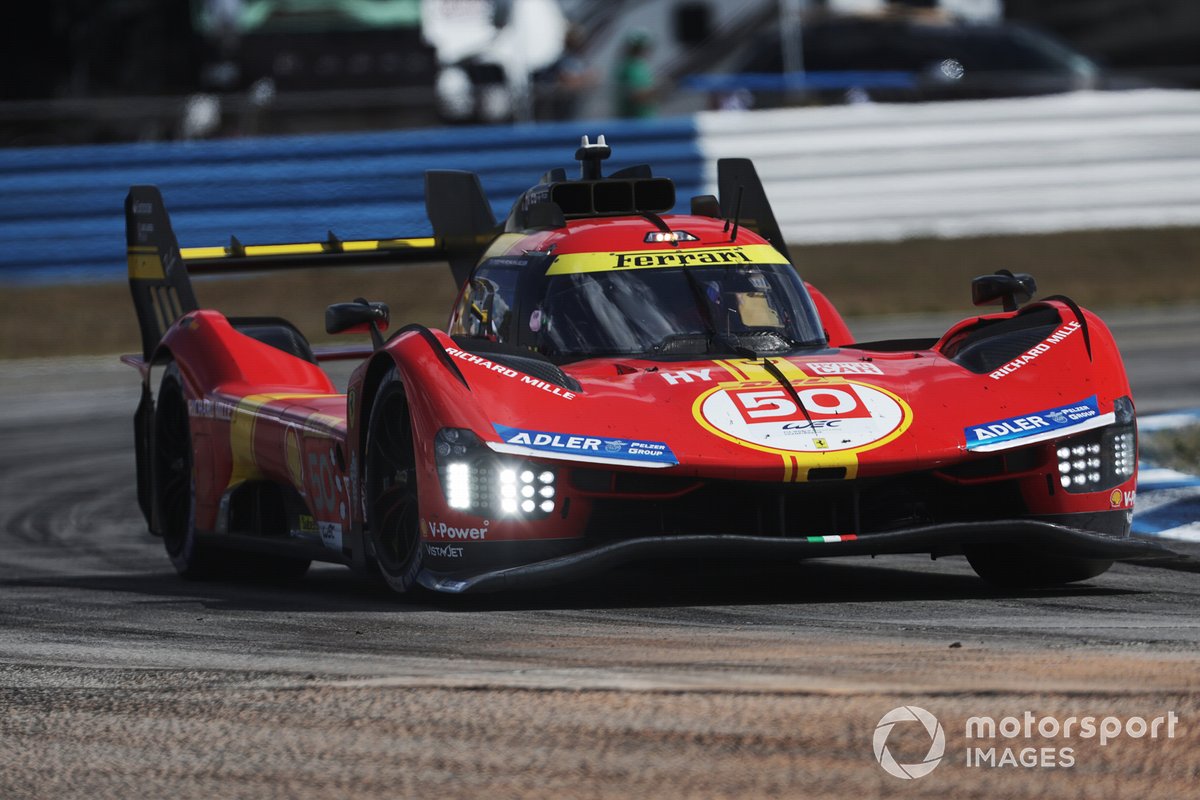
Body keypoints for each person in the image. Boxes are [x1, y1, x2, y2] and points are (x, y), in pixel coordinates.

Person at [537, 24, 596, 121]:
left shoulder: (579, 60)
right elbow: (567, 80)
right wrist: (581, 80)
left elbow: (593, 77)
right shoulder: (564, 59)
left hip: (576, 108)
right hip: (561, 109)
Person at [613, 29, 657, 119]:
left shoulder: (638, 65)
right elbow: (636, 95)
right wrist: (664, 88)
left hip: (643, 120)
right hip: (635, 123)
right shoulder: (630, 67)